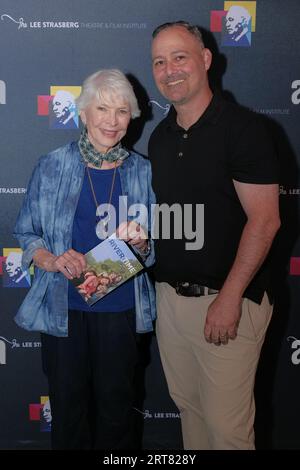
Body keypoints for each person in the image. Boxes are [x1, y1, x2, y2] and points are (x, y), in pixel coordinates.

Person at [149, 21, 280, 450]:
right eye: (159, 62)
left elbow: (264, 222)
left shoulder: (243, 129)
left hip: (228, 303)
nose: (169, 70)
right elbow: (176, 217)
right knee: (191, 415)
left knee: (227, 432)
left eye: (179, 57)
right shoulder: (159, 138)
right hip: (171, 303)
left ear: (205, 60)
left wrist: (229, 297)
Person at [14, 69, 156, 450]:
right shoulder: (52, 165)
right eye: (103, 108)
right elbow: (27, 233)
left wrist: (141, 243)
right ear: (84, 113)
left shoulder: (143, 171)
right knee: (69, 415)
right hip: (65, 311)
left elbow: (152, 247)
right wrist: (50, 259)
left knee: (116, 415)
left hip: (121, 310)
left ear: (133, 116)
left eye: (122, 111)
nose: (112, 120)